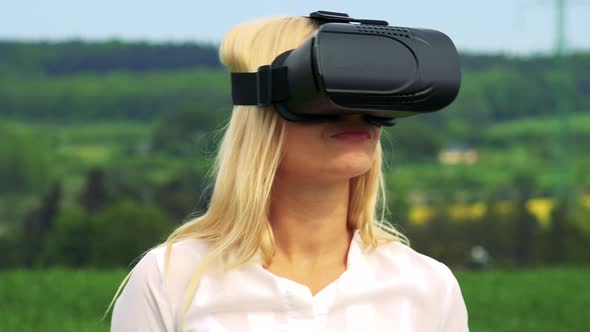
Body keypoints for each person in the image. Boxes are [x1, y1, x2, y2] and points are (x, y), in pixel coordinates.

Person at [109, 15, 469, 332]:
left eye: (372, 92)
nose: (355, 112)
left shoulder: (427, 288)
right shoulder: (172, 281)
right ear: (262, 103)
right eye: (326, 87)